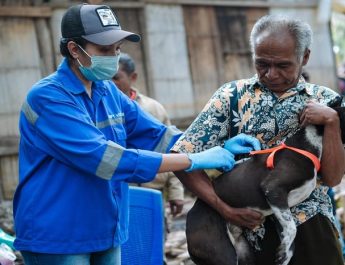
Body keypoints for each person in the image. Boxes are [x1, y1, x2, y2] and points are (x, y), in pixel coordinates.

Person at [13, 4, 262, 265]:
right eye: (105, 50)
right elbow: (107, 159)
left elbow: (159, 135)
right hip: (58, 234)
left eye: (117, 49)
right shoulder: (48, 98)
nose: (114, 56)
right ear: (75, 49)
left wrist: (217, 143)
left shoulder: (106, 91)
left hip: (106, 228)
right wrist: (194, 159)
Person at [171, 14, 345, 265]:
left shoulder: (327, 102)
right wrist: (224, 209)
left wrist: (332, 122)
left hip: (310, 225)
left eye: (283, 66)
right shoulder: (231, 97)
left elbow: (333, 177)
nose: (271, 74)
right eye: (262, 63)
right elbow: (182, 157)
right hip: (247, 232)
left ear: (304, 57)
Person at [112, 53, 184, 257]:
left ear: (132, 78)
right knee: (124, 247)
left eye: (116, 77)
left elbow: (173, 149)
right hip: (122, 190)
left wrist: (176, 193)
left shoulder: (152, 108)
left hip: (154, 190)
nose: (111, 83)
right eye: (108, 78)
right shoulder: (102, 108)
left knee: (152, 246)